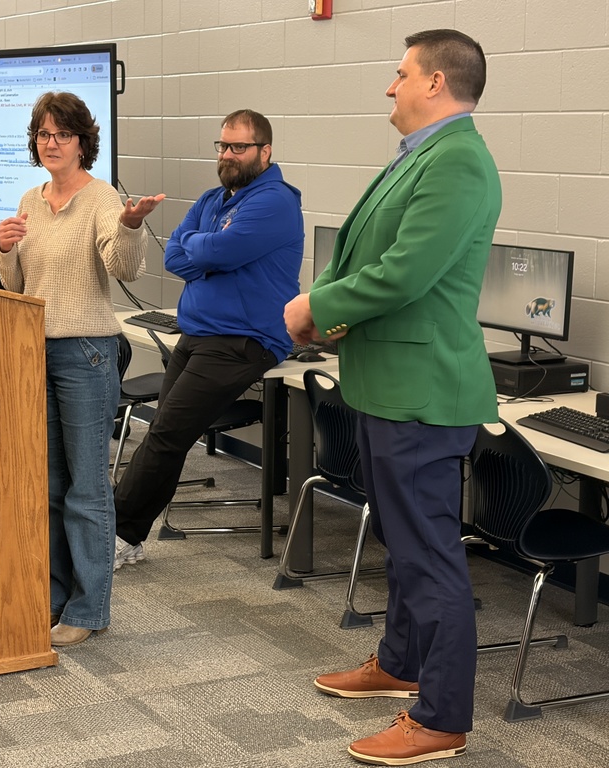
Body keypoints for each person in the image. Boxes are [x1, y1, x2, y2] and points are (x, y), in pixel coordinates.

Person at [284, 29, 501, 765]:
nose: (390, 85)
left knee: (429, 557)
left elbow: (405, 274)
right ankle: (400, 662)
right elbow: (381, 264)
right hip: (386, 382)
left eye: (401, 72)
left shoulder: (460, 162)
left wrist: (314, 306)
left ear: (436, 83)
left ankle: (441, 716)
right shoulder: (423, 157)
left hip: (421, 394)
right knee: (404, 546)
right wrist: (334, 320)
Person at [0, 91, 164, 648]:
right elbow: (17, 289)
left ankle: (90, 609)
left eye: (62, 134)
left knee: (87, 487)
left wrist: (133, 224)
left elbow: (123, 268)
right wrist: (3, 252)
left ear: (82, 142)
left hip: (87, 352)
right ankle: (54, 596)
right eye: (44, 134)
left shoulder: (101, 198)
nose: (51, 143)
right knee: (48, 485)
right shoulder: (30, 197)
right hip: (34, 351)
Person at [114, 109, 303, 569]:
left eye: (238, 147)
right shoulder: (213, 199)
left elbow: (218, 249)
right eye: (222, 146)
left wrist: (206, 250)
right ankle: (130, 537)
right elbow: (175, 255)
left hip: (243, 340)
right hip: (197, 335)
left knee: (163, 433)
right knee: (169, 437)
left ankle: (113, 536)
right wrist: (207, 251)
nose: (228, 155)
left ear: (265, 151)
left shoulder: (275, 201)